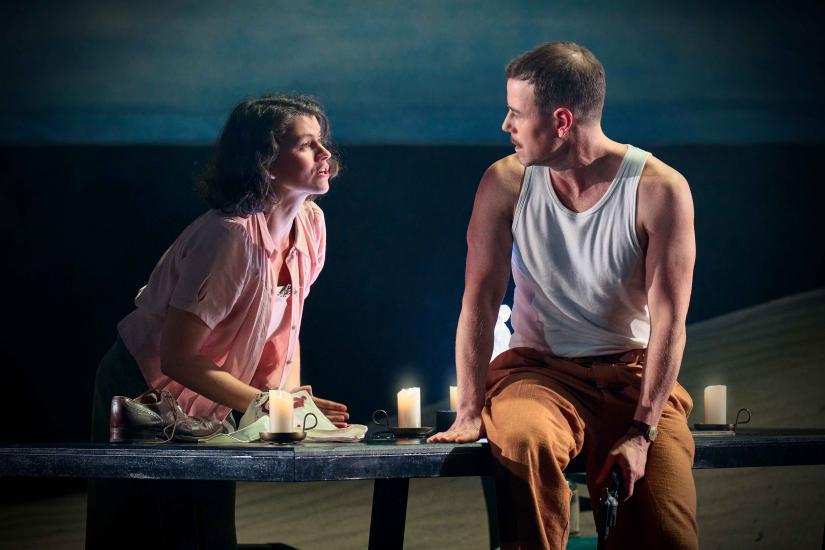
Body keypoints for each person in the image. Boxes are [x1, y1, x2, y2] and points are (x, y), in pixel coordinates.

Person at [429, 42, 698, 549]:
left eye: (515, 113)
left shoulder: (659, 189)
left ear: (561, 121)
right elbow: (480, 301)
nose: (505, 125)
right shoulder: (505, 183)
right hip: (539, 373)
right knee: (526, 441)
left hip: (632, 377)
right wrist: (469, 409)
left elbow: (670, 322)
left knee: (667, 532)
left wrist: (642, 432)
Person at [86, 94, 349, 549]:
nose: (325, 154)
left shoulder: (311, 224)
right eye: (308, 145)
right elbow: (177, 356)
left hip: (208, 396)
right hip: (141, 389)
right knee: (136, 534)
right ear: (264, 160)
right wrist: (269, 406)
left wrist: (288, 404)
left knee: (208, 531)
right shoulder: (230, 237)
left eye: (322, 142)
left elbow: (285, 328)